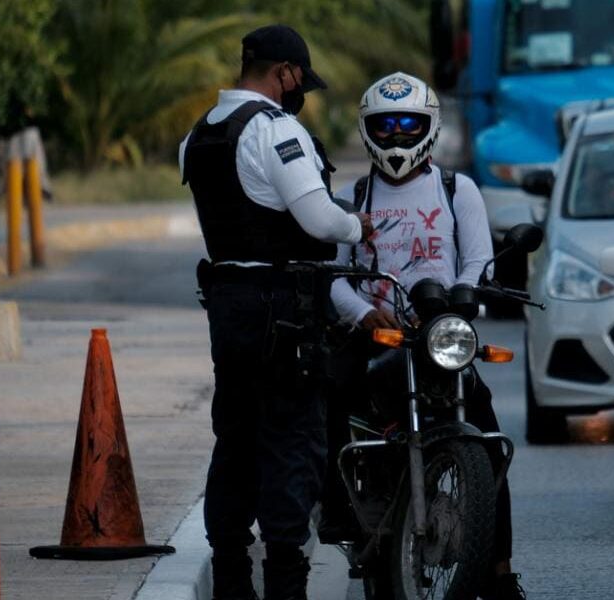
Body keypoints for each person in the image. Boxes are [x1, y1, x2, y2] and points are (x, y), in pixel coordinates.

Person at [178, 24, 373, 600]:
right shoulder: (273, 129)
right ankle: (286, 584)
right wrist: (355, 223)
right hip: (282, 306)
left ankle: (232, 579)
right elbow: (317, 220)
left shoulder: (199, 134)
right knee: (291, 439)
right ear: (283, 73)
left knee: (234, 436)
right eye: (298, 81)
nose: (299, 92)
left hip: (227, 304)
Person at [321, 72, 527, 600]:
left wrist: (455, 302)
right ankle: (340, 513)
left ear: (428, 128)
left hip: (439, 335)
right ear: (368, 130)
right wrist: (364, 315)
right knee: (333, 400)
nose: (394, 137)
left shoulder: (460, 189)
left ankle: (501, 573)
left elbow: (478, 260)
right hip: (377, 337)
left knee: (486, 440)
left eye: (407, 125)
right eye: (383, 126)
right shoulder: (350, 198)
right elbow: (336, 279)